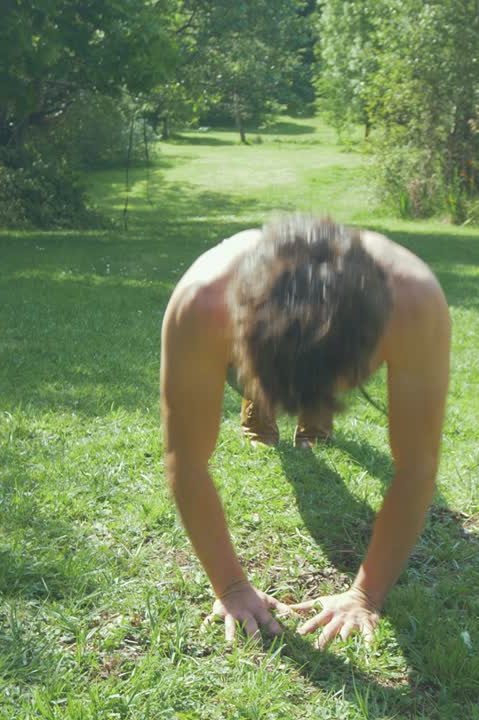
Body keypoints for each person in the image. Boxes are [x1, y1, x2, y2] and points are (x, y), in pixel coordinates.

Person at [159, 216, 450, 648]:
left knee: (318, 408)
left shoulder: (414, 302)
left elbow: (417, 465)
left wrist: (365, 594)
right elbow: (186, 459)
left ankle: (311, 408)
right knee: (261, 394)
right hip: (244, 345)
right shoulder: (203, 303)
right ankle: (260, 397)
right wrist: (231, 587)